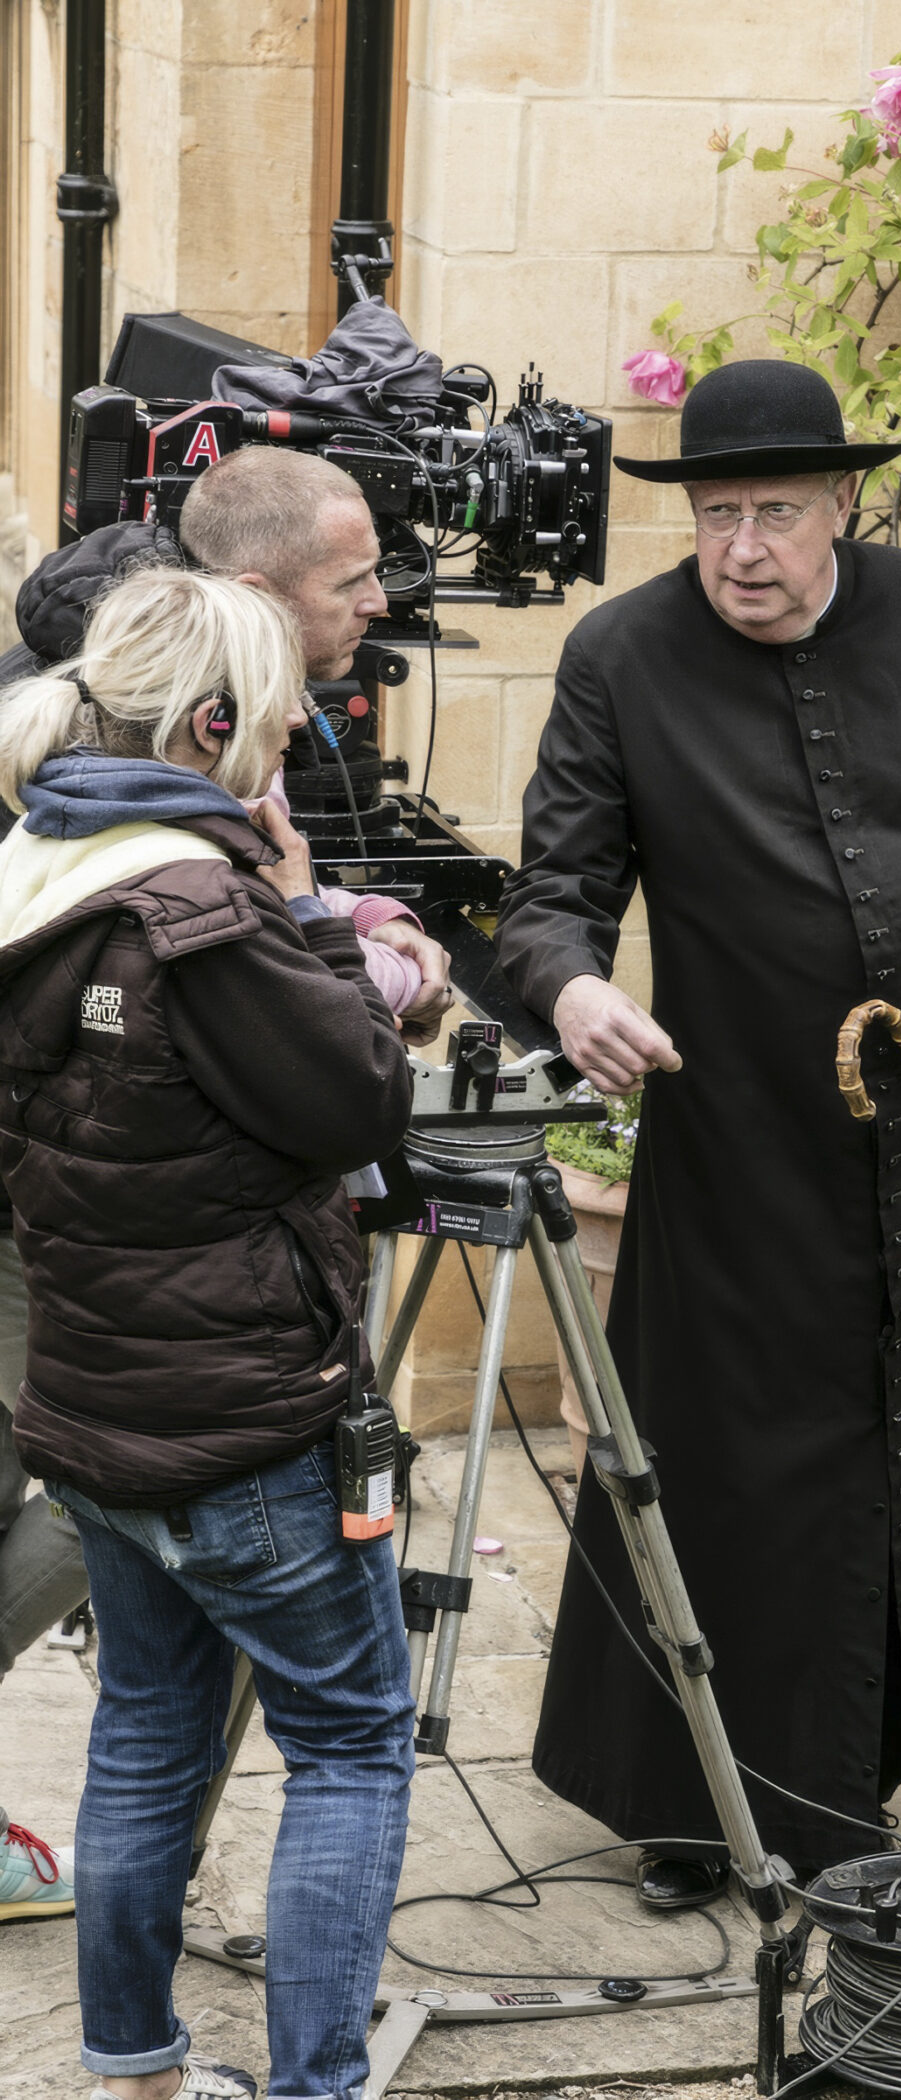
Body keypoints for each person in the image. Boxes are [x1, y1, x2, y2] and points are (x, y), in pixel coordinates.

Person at [495, 358, 901, 1905]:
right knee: (730, 1472)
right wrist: (570, 989)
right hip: (743, 1147)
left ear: (841, 502)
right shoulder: (623, 655)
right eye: (715, 516)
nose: (742, 548)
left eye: (773, 511)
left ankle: (865, 1773)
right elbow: (552, 895)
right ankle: (697, 1802)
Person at [0, 447, 452, 1913]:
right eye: (354, 582)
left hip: (86, 1279)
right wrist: (319, 926)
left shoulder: (90, 786)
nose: (379, 608)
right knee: (348, 1741)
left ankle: (130, 2037)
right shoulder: (180, 879)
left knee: (141, 1728)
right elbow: (344, 1095)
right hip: (168, 1349)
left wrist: (327, 916)